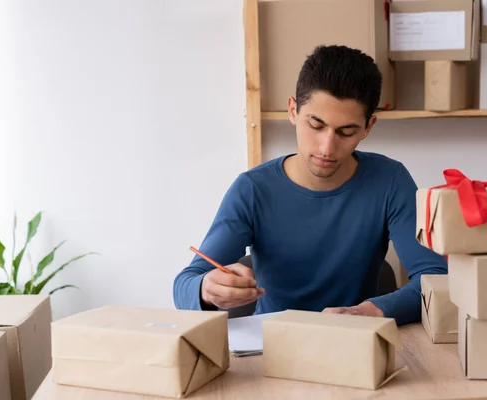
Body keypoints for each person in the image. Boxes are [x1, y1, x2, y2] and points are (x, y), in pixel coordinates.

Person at [173, 44, 447, 326]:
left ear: (369, 127)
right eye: (316, 126)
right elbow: (184, 286)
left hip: (354, 343)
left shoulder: (390, 181)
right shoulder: (252, 189)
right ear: (292, 110)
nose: (327, 147)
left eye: (346, 131)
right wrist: (206, 288)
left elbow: (436, 280)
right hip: (270, 349)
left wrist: (370, 312)